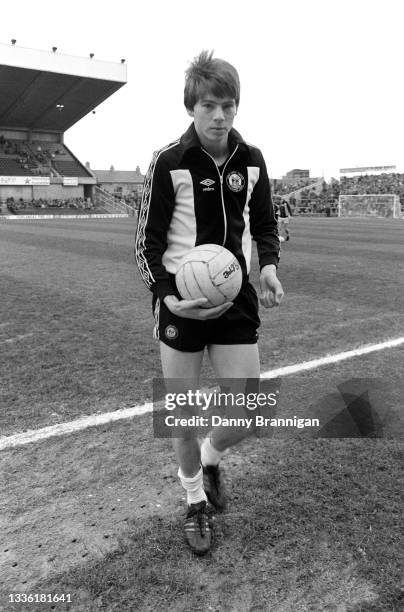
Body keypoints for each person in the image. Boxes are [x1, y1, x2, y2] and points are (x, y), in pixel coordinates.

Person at [135, 50, 283, 555]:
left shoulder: (252, 160)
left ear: (236, 107)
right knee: (181, 415)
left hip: (236, 297)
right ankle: (195, 501)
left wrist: (267, 267)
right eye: (209, 106)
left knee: (247, 411)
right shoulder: (169, 162)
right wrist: (168, 297)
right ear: (192, 108)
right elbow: (146, 245)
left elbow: (263, 226)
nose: (219, 116)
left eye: (227, 105)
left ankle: (212, 456)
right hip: (182, 300)